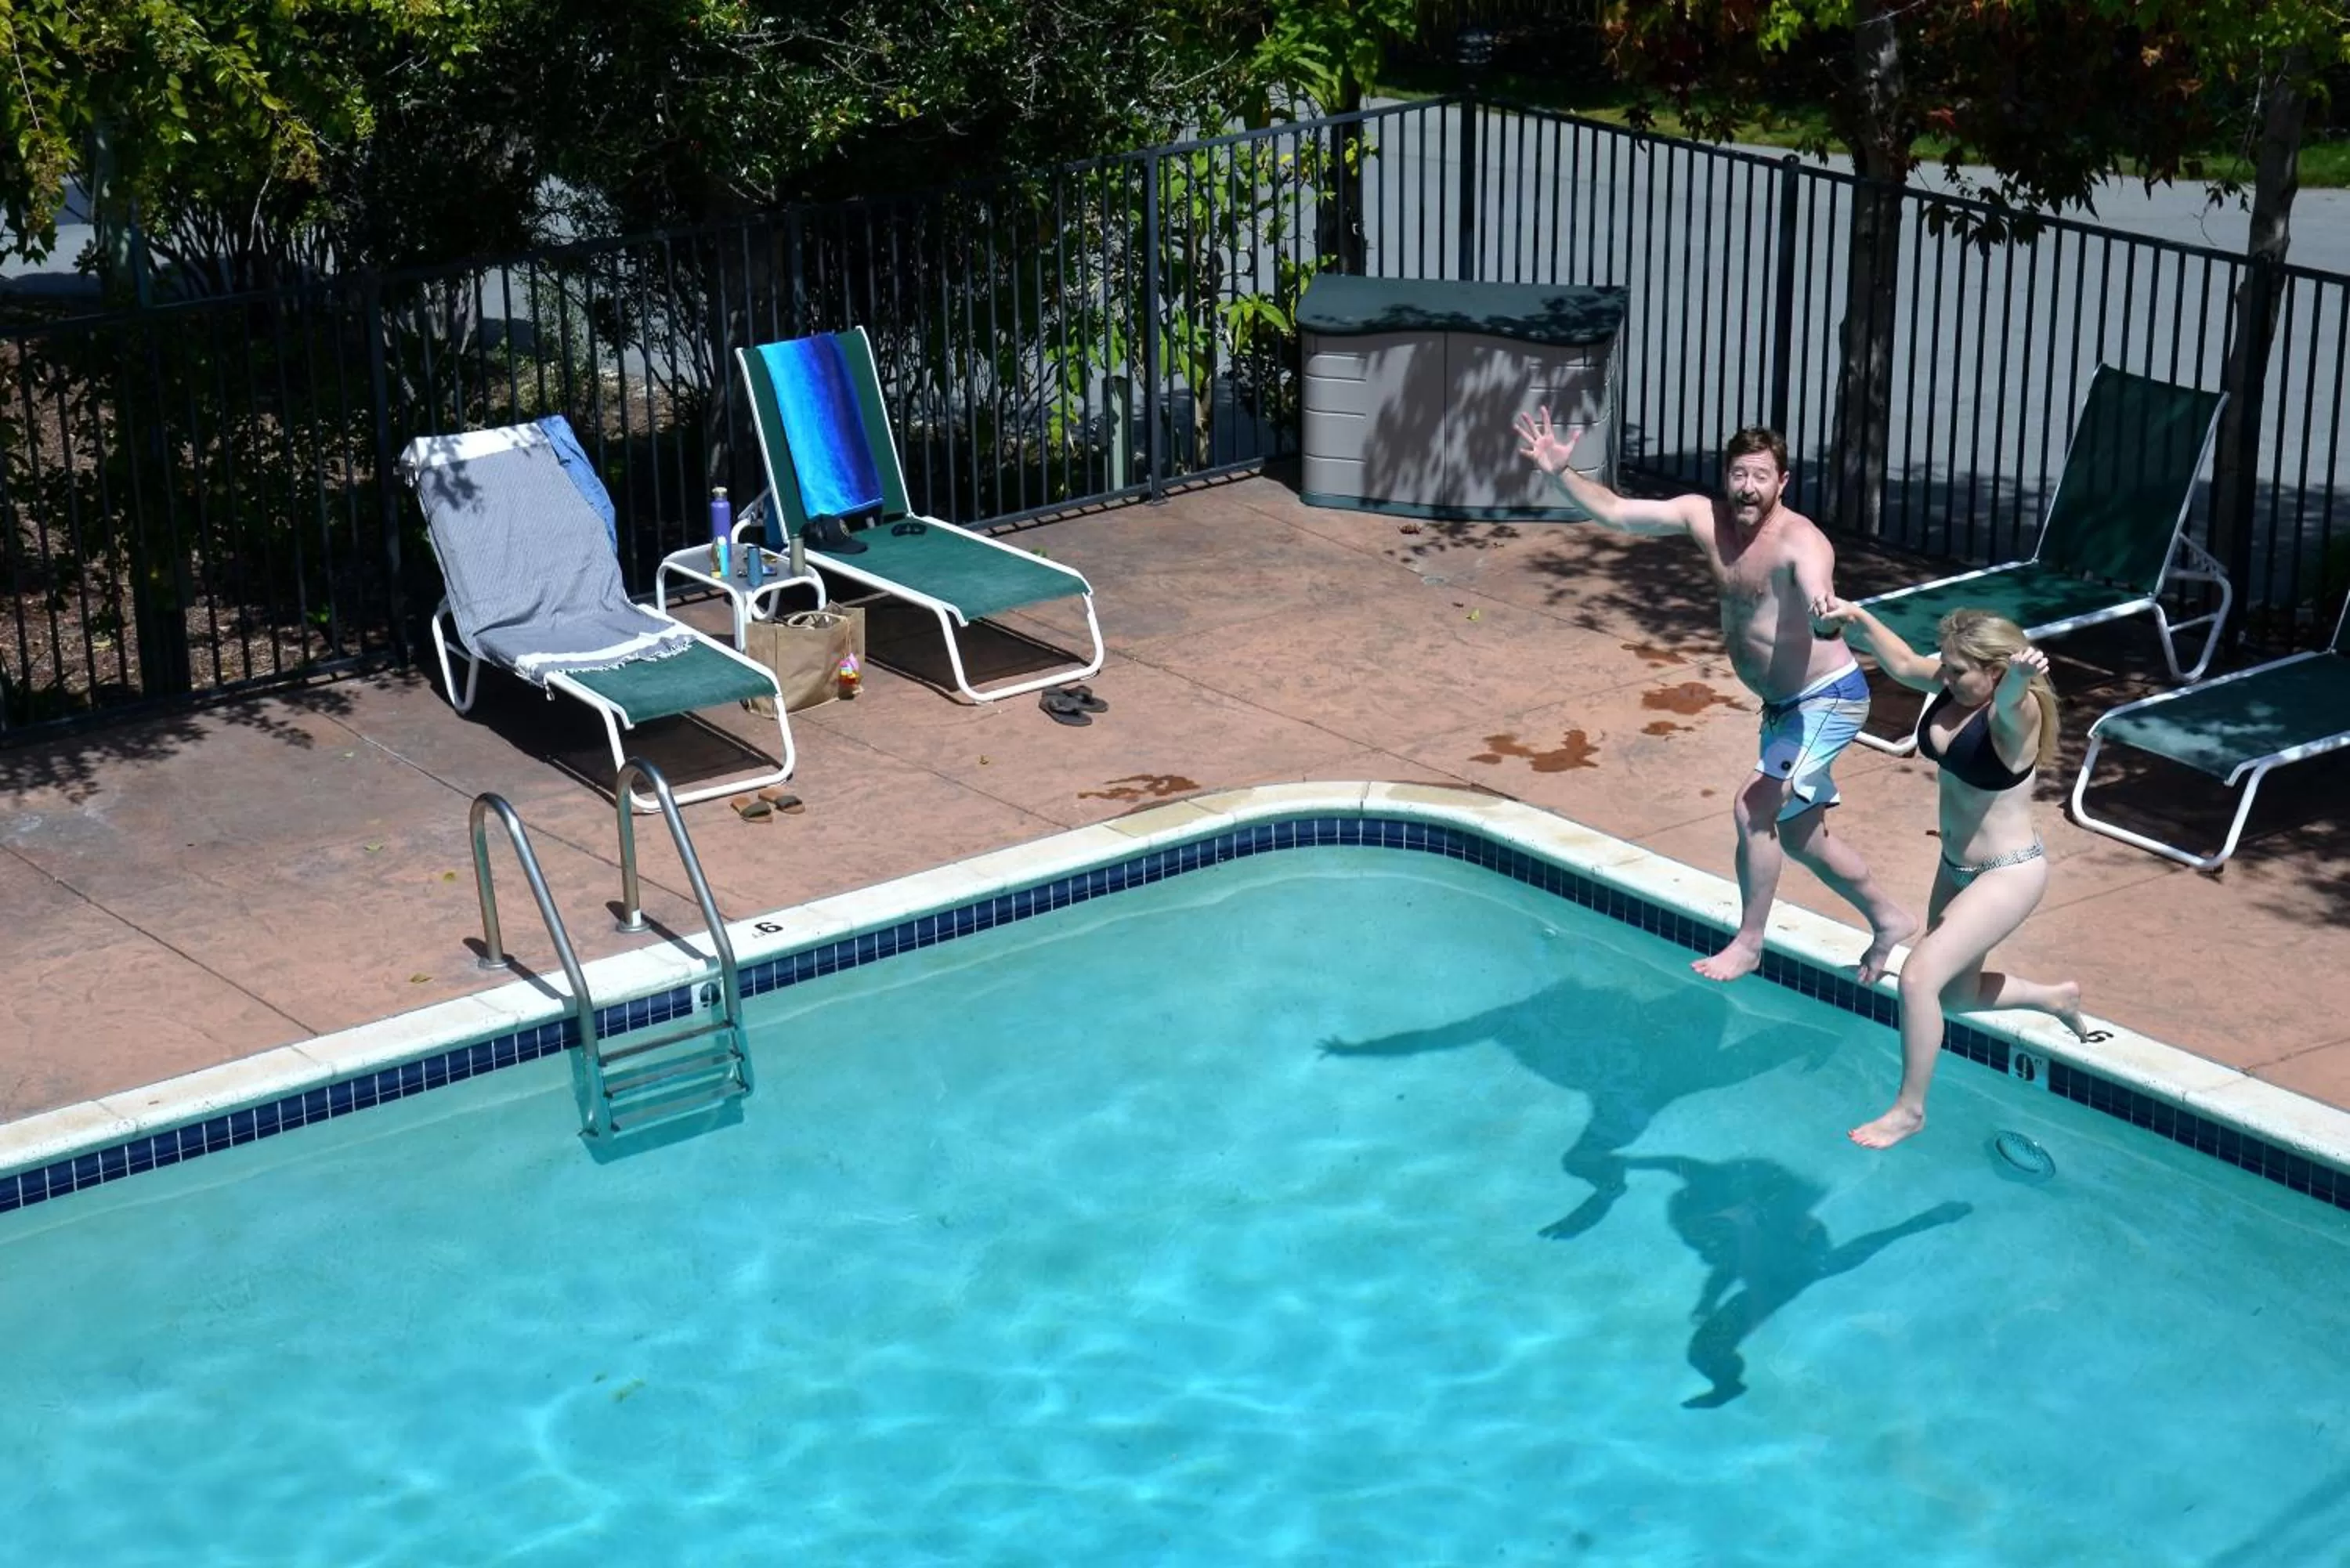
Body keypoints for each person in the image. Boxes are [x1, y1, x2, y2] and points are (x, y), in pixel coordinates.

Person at [1513, 410, 1915, 985]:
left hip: (1827, 699)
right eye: (1738, 475)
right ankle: (1889, 919)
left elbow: (1819, 589)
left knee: (1754, 808)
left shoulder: (1801, 540)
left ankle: (1750, 944)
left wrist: (1825, 615)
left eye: (1760, 476)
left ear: (1783, 482)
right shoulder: (1706, 519)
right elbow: (1619, 513)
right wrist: (1561, 474)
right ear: (1725, 477)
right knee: (1802, 838)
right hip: (1784, 708)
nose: (1747, 488)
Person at [1812, 599, 2089, 1148]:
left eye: (1961, 669)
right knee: (1954, 996)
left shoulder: (2016, 711)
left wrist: (2021, 678)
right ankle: (2053, 997)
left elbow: (2012, 702)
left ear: (1995, 671)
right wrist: (1859, 619)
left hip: (2006, 873)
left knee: (1917, 979)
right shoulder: (1952, 682)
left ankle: (1909, 1110)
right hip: (1956, 866)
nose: (1948, 674)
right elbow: (1900, 664)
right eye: (1948, 664)